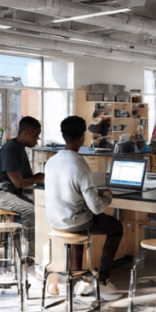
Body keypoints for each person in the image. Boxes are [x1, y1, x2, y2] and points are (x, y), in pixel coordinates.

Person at [44, 116, 124, 299]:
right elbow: (96, 208)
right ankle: (103, 281)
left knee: (80, 225)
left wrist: (95, 191)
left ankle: (80, 281)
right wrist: (108, 197)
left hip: (55, 221)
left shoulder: (51, 161)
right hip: (75, 222)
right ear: (82, 137)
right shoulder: (80, 164)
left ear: (64, 135)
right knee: (116, 228)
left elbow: (71, 191)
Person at [0, 116, 45, 258]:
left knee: (38, 208)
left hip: (8, 194)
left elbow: (27, 180)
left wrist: (39, 178)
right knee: (31, 210)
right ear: (26, 133)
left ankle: (36, 249)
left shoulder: (21, 150)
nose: (37, 140)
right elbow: (19, 183)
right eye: (36, 136)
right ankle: (32, 255)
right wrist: (39, 177)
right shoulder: (11, 148)